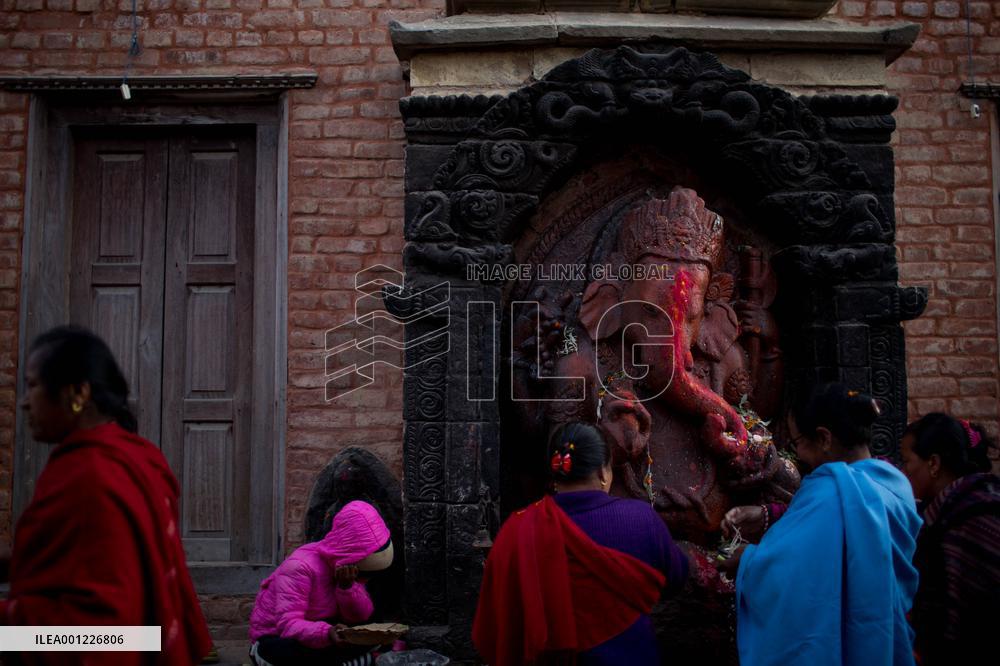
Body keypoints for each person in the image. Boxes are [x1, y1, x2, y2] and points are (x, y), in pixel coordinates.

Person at [0, 325, 212, 664]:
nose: (24, 402)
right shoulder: (140, 456)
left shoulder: (89, 475)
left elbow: (104, 629)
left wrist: (6, 627)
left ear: (78, 393)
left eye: (33, 385)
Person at [722, 383, 921, 666]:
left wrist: (747, 560)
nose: (798, 453)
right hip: (885, 635)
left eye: (796, 442)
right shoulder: (894, 482)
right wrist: (767, 515)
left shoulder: (827, 492)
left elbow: (785, 571)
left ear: (824, 438)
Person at [473, 422, 688, 666]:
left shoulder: (518, 528)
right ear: (602, 473)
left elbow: (496, 619)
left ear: (556, 475)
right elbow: (677, 577)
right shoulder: (641, 519)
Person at [899, 413, 999, 666]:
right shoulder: (940, 513)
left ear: (933, 463)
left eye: (907, 461)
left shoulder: (975, 516)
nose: (902, 471)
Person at [249, 500, 394, 666]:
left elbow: (359, 617)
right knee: (280, 651)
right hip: (279, 638)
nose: (365, 579)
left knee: (374, 628)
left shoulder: (346, 567)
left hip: (324, 631)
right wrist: (327, 633)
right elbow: (288, 625)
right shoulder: (299, 567)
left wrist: (347, 587)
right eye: (364, 575)